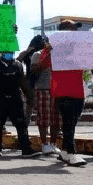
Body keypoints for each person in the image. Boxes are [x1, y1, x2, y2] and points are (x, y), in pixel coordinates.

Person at [38, 20, 87, 166]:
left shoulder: (78, 47)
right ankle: (72, 154)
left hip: (78, 91)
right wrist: (50, 49)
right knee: (68, 123)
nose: (75, 32)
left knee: (71, 122)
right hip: (63, 91)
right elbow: (42, 63)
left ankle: (65, 152)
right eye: (72, 28)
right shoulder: (53, 47)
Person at [0, 51, 40, 157]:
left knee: (21, 125)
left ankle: (25, 149)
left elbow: (22, 81)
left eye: (11, 51)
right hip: (0, 100)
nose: (10, 53)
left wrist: (30, 98)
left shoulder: (17, 64)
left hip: (15, 99)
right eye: (7, 51)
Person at [31, 43, 61, 156]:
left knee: (57, 119)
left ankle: (53, 143)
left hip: (57, 89)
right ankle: (44, 144)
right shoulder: (37, 54)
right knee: (44, 119)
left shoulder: (59, 55)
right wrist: (47, 56)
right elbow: (34, 70)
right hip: (43, 89)